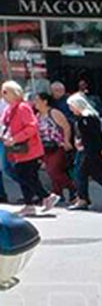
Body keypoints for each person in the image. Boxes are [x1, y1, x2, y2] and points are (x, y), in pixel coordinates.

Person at [1, 82, 55, 214]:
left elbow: (32, 127)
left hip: (29, 148)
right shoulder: (9, 109)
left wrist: (15, 138)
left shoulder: (23, 108)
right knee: (27, 175)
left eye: (5, 92)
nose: (3, 95)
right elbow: (3, 124)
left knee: (23, 173)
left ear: (14, 92)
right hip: (17, 149)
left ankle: (46, 196)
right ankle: (30, 204)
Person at [33, 92, 77, 203]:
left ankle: (73, 188)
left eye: (37, 100)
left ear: (45, 101)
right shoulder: (38, 116)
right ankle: (58, 194)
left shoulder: (54, 113)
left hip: (57, 145)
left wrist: (66, 140)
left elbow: (66, 126)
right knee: (53, 171)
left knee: (53, 170)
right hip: (45, 147)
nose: (35, 103)